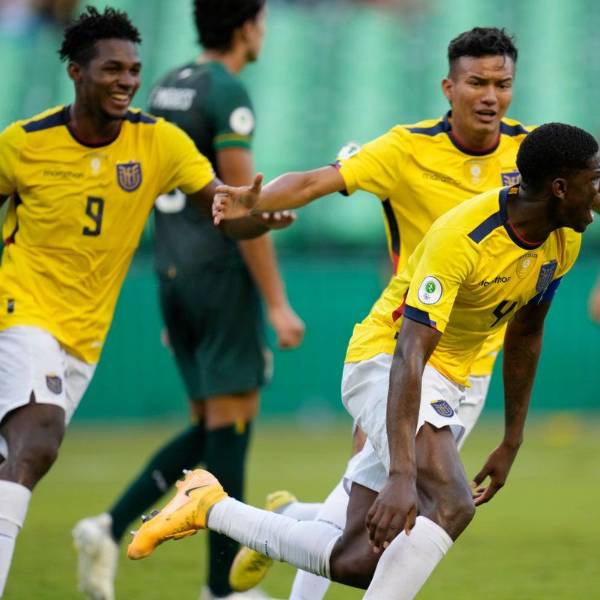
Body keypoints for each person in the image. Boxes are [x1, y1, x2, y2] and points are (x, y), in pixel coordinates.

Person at [129, 122, 600, 599]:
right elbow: (409, 351)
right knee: (452, 501)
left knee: (358, 561)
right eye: (595, 179)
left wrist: (512, 440)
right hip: (385, 361)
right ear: (560, 188)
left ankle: (210, 507)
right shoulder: (463, 235)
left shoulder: (565, 239)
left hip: (448, 380)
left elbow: (526, 333)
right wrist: (401, 473)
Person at [222, 26, 530, 600]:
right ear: (449, 87)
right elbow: (315, 181)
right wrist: (255, 199)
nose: (491, 96)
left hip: (473, 363)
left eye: (502, 84)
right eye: (477, 82)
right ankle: (254, 520)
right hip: (404, 346)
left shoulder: (529, 156)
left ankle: (285, 519)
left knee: (373, 501)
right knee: (421, 499)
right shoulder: (406, 149)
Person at [0, 6, 293, 598]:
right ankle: (221, 586)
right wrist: (275, 301)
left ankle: (115, 531)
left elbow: (222, 206)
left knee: (23, 452)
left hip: (87, 333)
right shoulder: (23, 143)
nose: (127, 81)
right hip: (20, 310)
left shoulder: (157, 138)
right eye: (112, 69)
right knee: (39, 438)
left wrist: (254, 216)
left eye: (133, 70)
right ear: (76, 71)